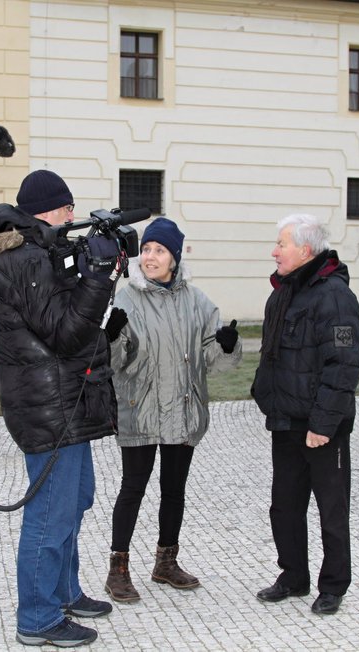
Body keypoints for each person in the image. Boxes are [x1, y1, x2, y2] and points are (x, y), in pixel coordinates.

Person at [0, 170, 121, 648]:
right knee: (50, 514)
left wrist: (87, 272)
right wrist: (97, 277)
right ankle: (37, 616)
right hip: (48, 405)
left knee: (75, 500)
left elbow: (62, 318)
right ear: (49, 209)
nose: (73, 217)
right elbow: (65, 332)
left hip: (60, 398)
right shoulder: (24, 258)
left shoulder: (35, 253)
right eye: (67, 207)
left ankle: (64, 591)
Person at [103, 217, 242, 603]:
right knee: (132, 488)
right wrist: (111, 337)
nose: (149, 257)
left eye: (159, 250)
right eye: (146, 249)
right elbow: (113, 362)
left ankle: (166, 562)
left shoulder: (197, 302)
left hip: (183, 409)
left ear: (174, 258)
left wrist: (227, 345)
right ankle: (118, 569)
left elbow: (214, 360)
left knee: (174, 490)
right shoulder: (126, 297)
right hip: (140, 408)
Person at [251, 213, 359, 616]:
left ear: (305, 250)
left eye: (282, 243)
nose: (274, 251)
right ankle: (293, 576)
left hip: (321, 427)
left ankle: (333, 585)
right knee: (285, 506)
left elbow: (343, 364)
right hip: (286, 421)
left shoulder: (334, 296)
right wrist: (264, 394)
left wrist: (322, 424)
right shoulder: (282, 292)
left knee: (331, 509)